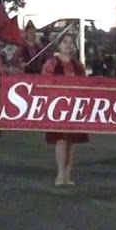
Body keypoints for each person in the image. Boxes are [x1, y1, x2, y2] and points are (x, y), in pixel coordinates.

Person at [42, 34, 88, 186]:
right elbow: (45, 82)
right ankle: (60, 174)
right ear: (59, 45)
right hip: (58, 106)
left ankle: (68, 174)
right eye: (65, 42)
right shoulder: (51, 63)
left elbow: (85, 85)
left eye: (71, 42)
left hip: (75, 106)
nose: (68, 45)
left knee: (72, 142)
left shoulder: (78, 66)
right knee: (61, 140)